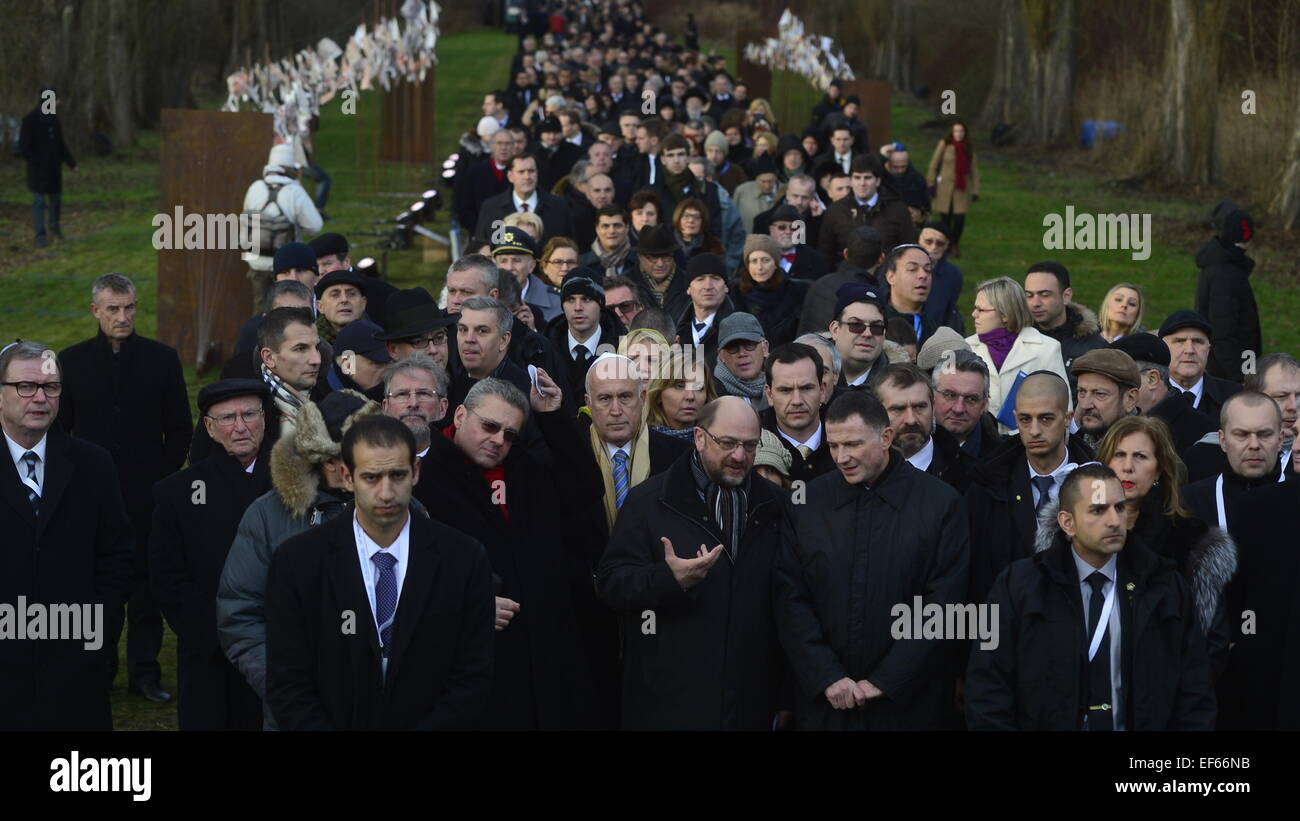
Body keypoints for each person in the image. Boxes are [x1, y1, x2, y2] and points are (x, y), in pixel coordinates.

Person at [266, 416, 495, 730]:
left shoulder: (464, 559)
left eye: (397, 475)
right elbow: (288, 680)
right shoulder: (298, 562)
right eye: (372, 478)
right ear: (347, 477)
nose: (386, 493)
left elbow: (473, 675)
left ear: (415, 472)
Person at [414, 375, 607, 729]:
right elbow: (408, 573)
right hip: (471, 664)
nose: (498, 440)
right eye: (489, 426)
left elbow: (586, 489)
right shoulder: (422, 479)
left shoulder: (528, 470)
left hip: (547, 654)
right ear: (459, 417)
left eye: (509, 434)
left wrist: (552, 417)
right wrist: (469, 605)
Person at [965, 463, 1216, 730]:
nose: (1114, 520)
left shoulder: (1164, 586)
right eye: (1098, 510)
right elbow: (987, 689)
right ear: (1067, 522)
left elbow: (1195, 693)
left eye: (1120, 507)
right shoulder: (1019, 586)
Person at [776, 390, 969, 730]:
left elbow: (944, 603)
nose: (841, 457)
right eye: (834, 446)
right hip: (825, 705)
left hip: (910, 706)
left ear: (886, 437)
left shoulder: (940, 503)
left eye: (852, 444)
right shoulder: (806, 503)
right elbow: (790, 597)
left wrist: (887, 680)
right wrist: (826, 675)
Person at [598, 396, 790, 730]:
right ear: (699, 438)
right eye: (728, 443)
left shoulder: (777, 506)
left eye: (750, 445)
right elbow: (611, 583)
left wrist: (786, 695)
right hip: (669, 703)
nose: (740, 456)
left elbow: (793, 603)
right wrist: (668, 579)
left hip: (751, 702)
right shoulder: (650, 501)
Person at [217, 390, 387, 729]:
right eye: (332, 459)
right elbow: (239, 615)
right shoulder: (268, 516)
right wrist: (288, 690)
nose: (345, 470)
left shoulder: (405, 512)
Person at [58, 273, 192, 703]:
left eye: (129, 307)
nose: (123, 316)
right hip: (88, 498)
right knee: (96, 588)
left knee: (147, 589)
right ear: (96, 311)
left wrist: (162, 479)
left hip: (147, 495)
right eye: (113, 309)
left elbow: (179, 429)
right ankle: (98, 669)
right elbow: (60, 431)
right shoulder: (71, 362)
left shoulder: (162, 359)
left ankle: (145, 673)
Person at [0, 341, 132, 730]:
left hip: (76, 667)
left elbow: (116, 555)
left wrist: (99, 636)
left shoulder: (93, 464)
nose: (40, 397)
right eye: (27, 387)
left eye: (51, 387)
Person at [149, 379, 271, 730]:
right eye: (228, 418)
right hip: (210, 656)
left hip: (282, 651)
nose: (241, 426)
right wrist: (218, 633)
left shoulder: (296, 485)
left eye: (249, 414)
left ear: (265, 419)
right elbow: (167, 579)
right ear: (209, 427)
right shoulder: (176, 494)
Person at [1091, 416, 1236, 678]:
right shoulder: (1074, 532)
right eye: (1119, 455)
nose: (1127, 467)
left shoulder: (1191, 540)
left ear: (1158, 470)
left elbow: (1211, 642)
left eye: (1140, 457)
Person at [964, 371, 1093, 602]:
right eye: (1025, 419)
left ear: (1067, 418)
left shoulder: (1099, 484)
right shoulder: (985, 488)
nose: (1034, 430)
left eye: (1046, 419)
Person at [967, 276, 1070, 428]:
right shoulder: (965, 347)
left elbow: (1063, 408)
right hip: (978, 444)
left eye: (981, 310)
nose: (974, 314)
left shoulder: (1047, 348)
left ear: (1005, 315)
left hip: (1029, 443)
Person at [1181, 391, 1287, 533]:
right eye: (1241, 435)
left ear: (1280, 440)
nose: (1254, 444)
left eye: (1264, 434)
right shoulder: (1190, 503)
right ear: (1223, 441)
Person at [872, 362, 974, 493]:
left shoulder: (968, 476)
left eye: (919, 407)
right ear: (876, 413)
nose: (911, 420)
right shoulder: (860, 472)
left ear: (933, 407)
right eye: (898, 409)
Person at [242, 143, 323, 305]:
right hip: (288, 268)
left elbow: (245, 225)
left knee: (261, 308)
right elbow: (316, 226)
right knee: (289, 308)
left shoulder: (255, 188)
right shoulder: (294, 191)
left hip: (257, 262)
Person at [1110, 332, 1217, 455]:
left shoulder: (1201, 435)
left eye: (1120, 378)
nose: (1111, 388)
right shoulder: (1113, 419)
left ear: (1152, 379)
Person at [1195, 209, 1260, 383]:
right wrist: (1241, 377)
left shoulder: (1224, 266)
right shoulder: (1227, 273)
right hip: (1227, 374)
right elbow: (1223, 331)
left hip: (1227, 368)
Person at [818, 154, 916, 265]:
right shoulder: (835, 211)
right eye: (857, 177)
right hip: (847, 277)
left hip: (887, 276)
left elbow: (909, 249)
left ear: (878, 181)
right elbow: (825, 252)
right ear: (850, 180)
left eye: (867, 178)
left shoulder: (898, 210)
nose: (862, 183)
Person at [545, 268, 626, 400]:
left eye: (586, 299)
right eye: (570, 299)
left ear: (600, 304)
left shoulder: (624, 347)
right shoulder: (543, 349)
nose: (578, 307)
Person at [761, 343, 836, 482]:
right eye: (785, 390)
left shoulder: (847, 438)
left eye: (806, 388)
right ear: (769, 395)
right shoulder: (751, 444)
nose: (797, 401)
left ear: (822, 390)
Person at [1023, 261, 1107, 385]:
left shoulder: (1095, 348)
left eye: (1045, 295)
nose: (1035, 303)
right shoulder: (1015, 341)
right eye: (1029, 295)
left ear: (1066, 296)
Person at [474, 152, 576, 249]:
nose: (527, 177)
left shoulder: (559, 206)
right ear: (510, 176)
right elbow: (482, 246)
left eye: (531, 171)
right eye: (521, 172)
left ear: (537, 173)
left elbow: (569, 243)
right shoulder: (491, 208)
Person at [798, 225, 885, 336]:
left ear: (845, 253)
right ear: (881, 259)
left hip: (807, 351)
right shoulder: (874, 297)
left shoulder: (820, 283)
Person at [1158, 310, 1242, 422]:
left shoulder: (1235, 397)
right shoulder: (1146, 397)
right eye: (1180, 341)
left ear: (1208, 349)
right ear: (1163, 348)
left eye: (1197, 341)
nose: (1189, 350)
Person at [19, 87, 76, 247]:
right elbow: (23, 148)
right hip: (37, 171)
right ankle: (40, 235)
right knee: (39, 201)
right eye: (56, 100)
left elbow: (61, 145)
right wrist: (37, 162)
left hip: (53, 170)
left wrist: (71, 163)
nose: (58, 103)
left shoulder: (54, 120)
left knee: (56, 200)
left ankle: (55, 229)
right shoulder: (30, 120)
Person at [733, 234, 810, 348]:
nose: (759, 267)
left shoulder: (796, 291)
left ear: (775, 263)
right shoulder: (734, 292)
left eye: (765, 260)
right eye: (754, 261)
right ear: (747, 265)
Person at [928, 348, 1002, 460]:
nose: (959, 409)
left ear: (984, 405)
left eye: (971, 399)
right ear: (931, 396)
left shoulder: (1003, 459)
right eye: (950, 395)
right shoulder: (907, 449)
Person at [925, 120, 979, 258]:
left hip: (961, 188)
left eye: (961, 131)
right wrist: (931, 182)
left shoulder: (968, 147)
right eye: (956, 131)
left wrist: (975, 190)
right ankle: (946, 245)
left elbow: (974, 170)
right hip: (945, 187)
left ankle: (955, 243)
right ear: (952, 132)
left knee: (960, 219)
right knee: (945, 219)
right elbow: (934, 164)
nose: (959, 134)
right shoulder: (945, 145)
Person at [1070, 348, 1141, 451]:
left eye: (1100, 394)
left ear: (1130, 399)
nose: (1085, 405)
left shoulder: (1147, 449)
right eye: (1082, 392)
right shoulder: (1073, 446)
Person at [381, 354, 449, 457]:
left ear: (442, 407)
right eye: (402, 394)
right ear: (385, 407)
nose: (413, 404)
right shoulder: (366, 462)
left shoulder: (459, 465)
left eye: (423, 394)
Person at [675, 253, 735, 367]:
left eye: (715, 278)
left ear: (726, 287)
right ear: (688, 289)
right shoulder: (676, 329)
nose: (708, 286)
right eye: (700, 279)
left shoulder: (739, 327)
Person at [492, 225, 562, 324]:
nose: (509, 267)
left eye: (517, 260)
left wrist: (534, 330)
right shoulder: (483, 297)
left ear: (531, 266)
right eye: (503, 261)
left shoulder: (556, 301)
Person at [374, 287, 458, 369]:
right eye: (419, 342)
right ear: (393, 349)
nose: (433, 350)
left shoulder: (464, 380)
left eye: (439, 338)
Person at [829, 282, 890, 393]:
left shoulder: (898, 386)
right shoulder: (809, 376)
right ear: (835, 330)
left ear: (884, 334)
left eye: (876, 327)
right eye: (856, 325)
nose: (867, 334)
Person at [625, 224, 691, 323]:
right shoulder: (625, 285)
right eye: (653, 258)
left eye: (666, 257)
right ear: (639, 257)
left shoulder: (689, 283)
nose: (660, 264)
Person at [646, 347, 718, 439]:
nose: (690, 396)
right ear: (658, 394)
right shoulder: (639, 442)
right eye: (679, 386)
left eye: (698, 387)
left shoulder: (720, 441)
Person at [883, 244, 937, 346]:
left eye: (928, 270)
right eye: (912, 269)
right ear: (891, 277)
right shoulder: (875, 324)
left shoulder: (938, 327)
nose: (923, 275)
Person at [325, 319, 392, 403]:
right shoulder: (317, 401)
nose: (388, 371)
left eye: (390, 363)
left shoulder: (390, 395)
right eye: (378, 364)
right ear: (348, 364)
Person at [713, 313, 770, 411]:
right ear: (721, 355)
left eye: (749, 344)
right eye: (732, 347)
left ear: (765, 347)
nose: (742, 353)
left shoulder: (783, 384)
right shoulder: (710, 394)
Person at [918, 222, 964, 334]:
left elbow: (948, 310)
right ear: (919, 240)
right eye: (928, 241)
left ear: (947, 245)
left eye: (940, 243)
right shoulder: (900, 265)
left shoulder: (954, 274)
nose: (933, 247)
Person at [765, 202, 829, 282]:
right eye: (782, 227)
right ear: (771, 230)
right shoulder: (759, 257)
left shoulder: (815, 260)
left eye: (794, 228)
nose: (788, 232)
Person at [580, 205, 639, 279]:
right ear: (597, 229)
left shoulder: (640, 263)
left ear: (627, 228)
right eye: (605, 226)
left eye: (617, 225)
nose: (611, 231)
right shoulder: (582, 264)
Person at [314, 268, 370, 345]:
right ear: (320, 306)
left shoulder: (379, 339)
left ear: (363, 303)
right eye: (335, 295)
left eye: (351, 294)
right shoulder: (310, 342)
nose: (344, 300)